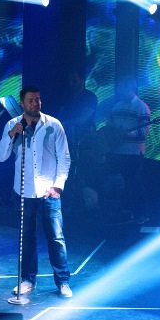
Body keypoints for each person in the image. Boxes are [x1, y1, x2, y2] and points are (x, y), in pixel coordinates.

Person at [0, 86, 73, 298]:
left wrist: (58, 185)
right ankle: (28, 279)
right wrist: (11, 134)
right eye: (30, 100)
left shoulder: (53, 125)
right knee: (27, 238)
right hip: (23, 191)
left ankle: (63, 281)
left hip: (48, 191)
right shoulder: (12, 125)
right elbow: (1, 157)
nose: (35, 103)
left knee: (56, 238)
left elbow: (64, 157)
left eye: (38, 99)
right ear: (22, 103)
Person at [105, 76, 151, 224]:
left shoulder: (141, 107)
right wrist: (112, 135)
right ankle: (127, 211)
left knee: (134, 182)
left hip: (133, 152)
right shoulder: (116, 106)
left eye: (123, 87)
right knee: (121, 183)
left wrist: (128, 134)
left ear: (130, 87)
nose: (120, 90)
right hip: (118, 151)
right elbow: (109, 125)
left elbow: (145, 130)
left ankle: (141, 214)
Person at [58, 69, 98, 213]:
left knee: (82, 169)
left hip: (85, 140)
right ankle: (67, 202)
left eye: (75, 81)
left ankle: (84, 204)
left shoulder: (90, 97)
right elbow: (59, 116)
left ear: (82, 80)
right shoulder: (67, 97)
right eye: (70, 81)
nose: (72, 84)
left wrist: (64, 123)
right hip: (68, 138)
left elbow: (82, 120)